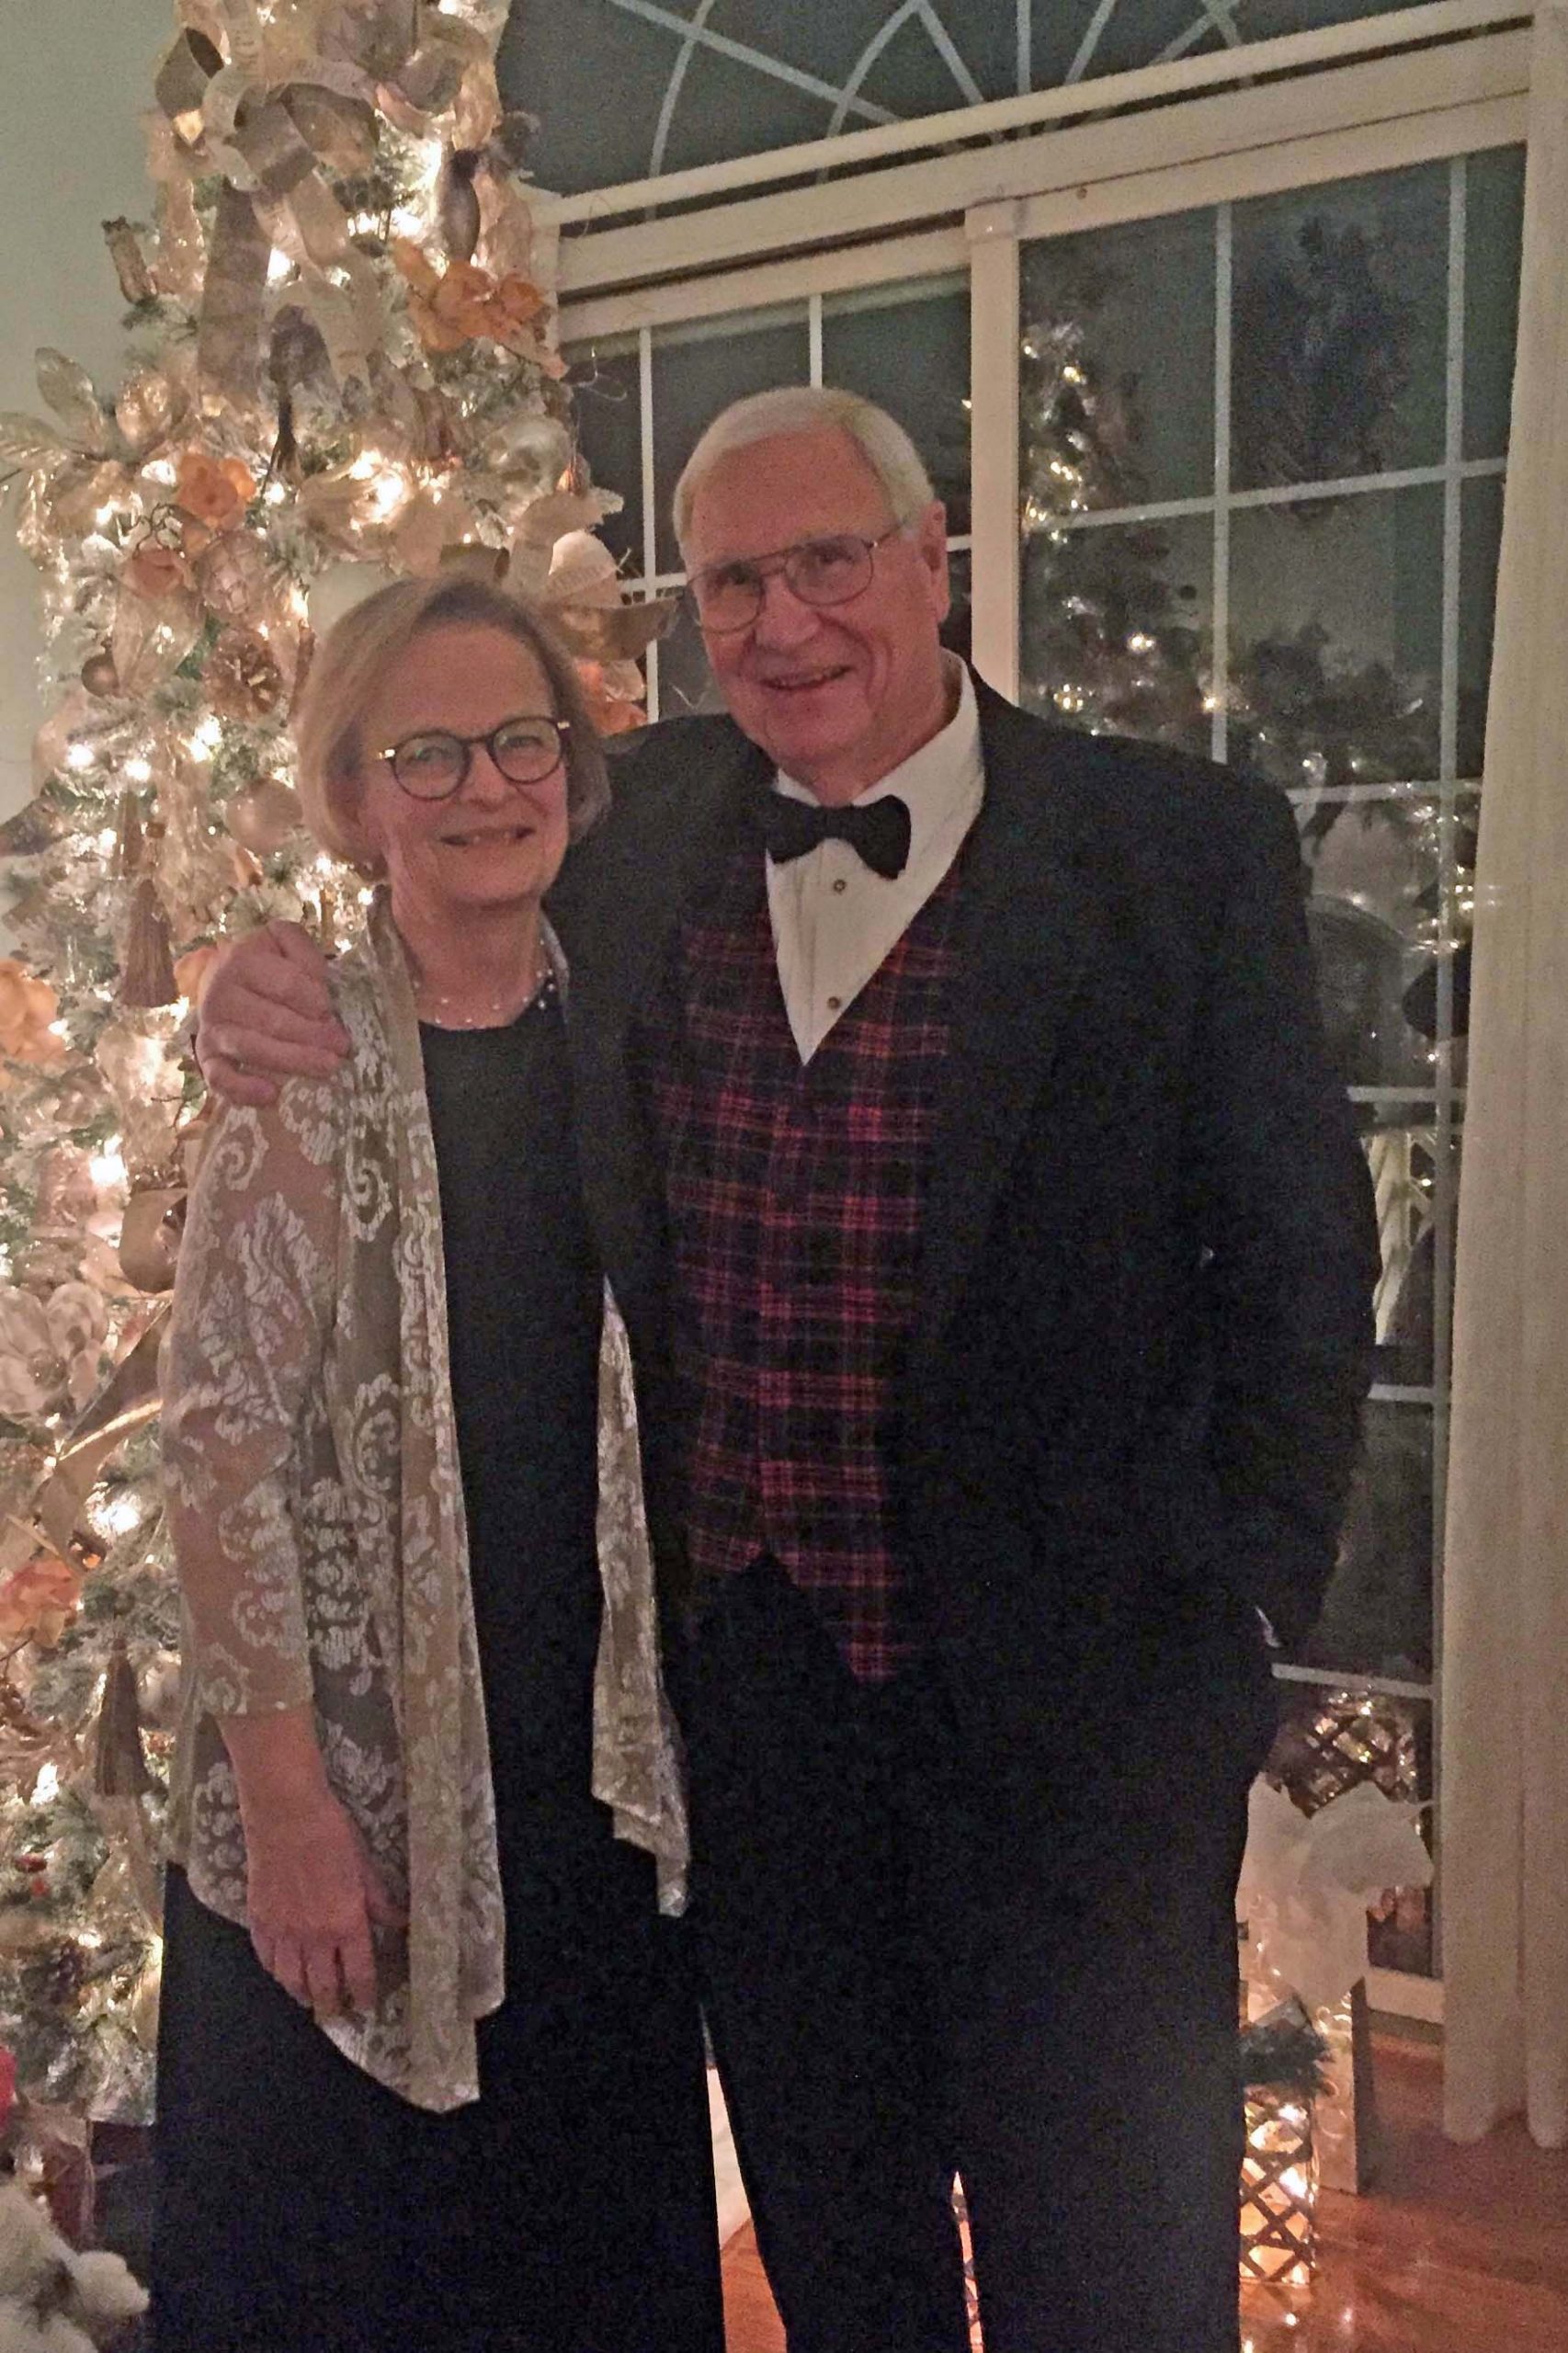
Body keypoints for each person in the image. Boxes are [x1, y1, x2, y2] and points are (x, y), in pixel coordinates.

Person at [199, 388, 1380, 2353]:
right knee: (843, 2263)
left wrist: (1243, 1607)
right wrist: (234, 977)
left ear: (930, 559)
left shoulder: (1174, 847)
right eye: (733, 581)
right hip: (753, 1734)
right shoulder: (634, 817)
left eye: (829, 558)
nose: (783, 619)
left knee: (1113, 2277)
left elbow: (1301, 1260)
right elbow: (418, 875)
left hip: (1083, 1735)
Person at [154, 575, 723, 2353]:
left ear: (574, 761)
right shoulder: (308, 1066)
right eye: (427, 755)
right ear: (352, 797)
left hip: (590, 1790)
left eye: (520, 740)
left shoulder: (633, 1022)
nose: (487, 786)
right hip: (366, 1798)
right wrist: (291, 1813)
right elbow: (217, 1454)